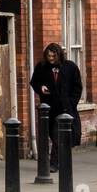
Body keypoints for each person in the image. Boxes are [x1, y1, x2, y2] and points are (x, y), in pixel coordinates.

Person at [29, 42, 83, 170]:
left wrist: (71, 102)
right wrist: (40, 88)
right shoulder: (41, 67)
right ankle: (61, 160)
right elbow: (34, 82)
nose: (51, 59)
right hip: (48, 108)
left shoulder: (70, 67)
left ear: (59, 55)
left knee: (58, 135)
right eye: (49, 56)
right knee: (53, 136)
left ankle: (54, 164)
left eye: (53, 56)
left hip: (65, 108)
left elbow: (77, 87)